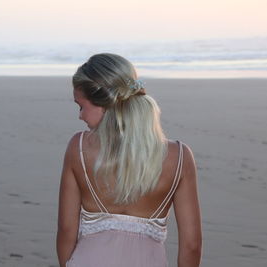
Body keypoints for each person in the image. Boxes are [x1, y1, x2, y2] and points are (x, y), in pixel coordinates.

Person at [57, 53, 202, 267]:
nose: (80, 116)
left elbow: (66, 231)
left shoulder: (79, 148)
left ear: (103, 104)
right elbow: (191, 245)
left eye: (81, 106)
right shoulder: (178, 156)